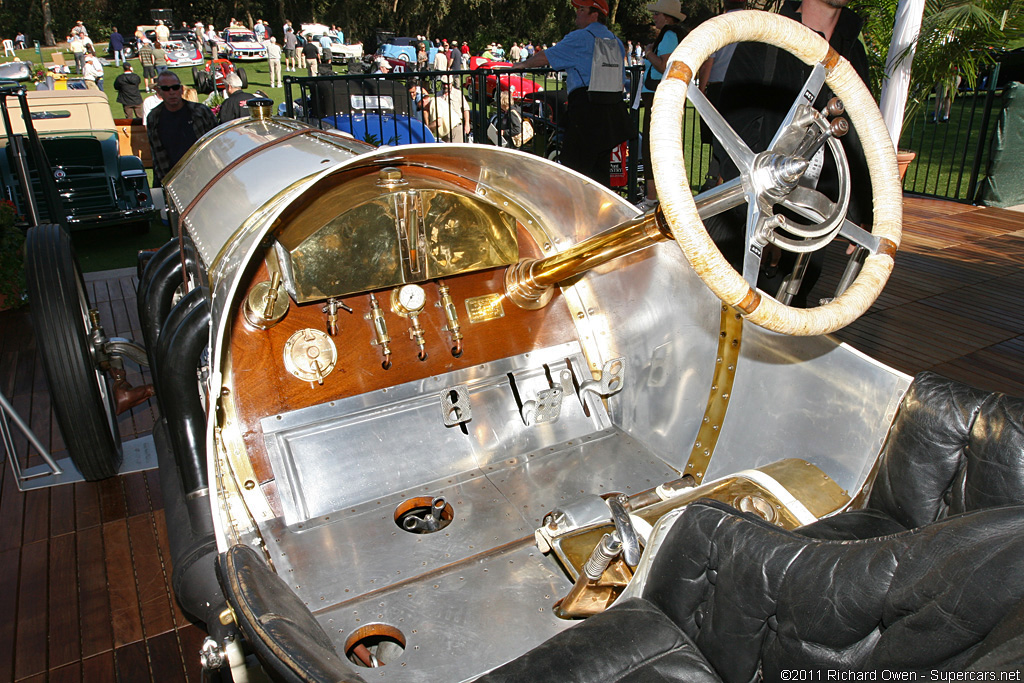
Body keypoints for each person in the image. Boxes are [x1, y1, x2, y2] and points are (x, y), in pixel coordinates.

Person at [708, 0, 873, 307]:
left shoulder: (853, 51)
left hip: (810, 220)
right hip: (747, 215)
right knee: (720, 317)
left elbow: (860, 135)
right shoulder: (766, 40)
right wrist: (762, 218)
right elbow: (733, 134)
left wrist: (864, 215)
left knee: (788, 321)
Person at [517, 0, 635, 187]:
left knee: (575, 172)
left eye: (581, 9)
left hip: (586, 112)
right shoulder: (615, 41)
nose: (577, 13)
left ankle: (577, 213)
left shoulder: (580, 37)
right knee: (602, 175)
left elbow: (547, 56)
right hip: (612, 113)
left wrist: (521, 65)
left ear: (594, 14)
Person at [638, 0, 687, 209]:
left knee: (652, 147)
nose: (654, 18)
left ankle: (651, 198)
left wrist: (649, 53)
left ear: (667, 17)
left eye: (657, 14)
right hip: (665, 97)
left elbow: (665, 66)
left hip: (657, 97)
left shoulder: (668, 35)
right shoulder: (675, 35)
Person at [147, 71, 218, 186]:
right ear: (159, 91)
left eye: (175, 88)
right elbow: (157, 156)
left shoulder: (200, 111)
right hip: (174, 180)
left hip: (205, 176)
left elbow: (218, 143)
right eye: (166, 89)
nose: (171, 92)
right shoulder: (154, 118)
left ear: (181, 89)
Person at [428, 75, 472, 142]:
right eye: (444, 84)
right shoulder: (438, 95)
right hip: (444, 129)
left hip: (456, 127)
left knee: (456, 151)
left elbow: (466, 109)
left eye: (448, 84)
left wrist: (467, 124)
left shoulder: (458, 94)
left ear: (451, 83)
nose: (445, 86)